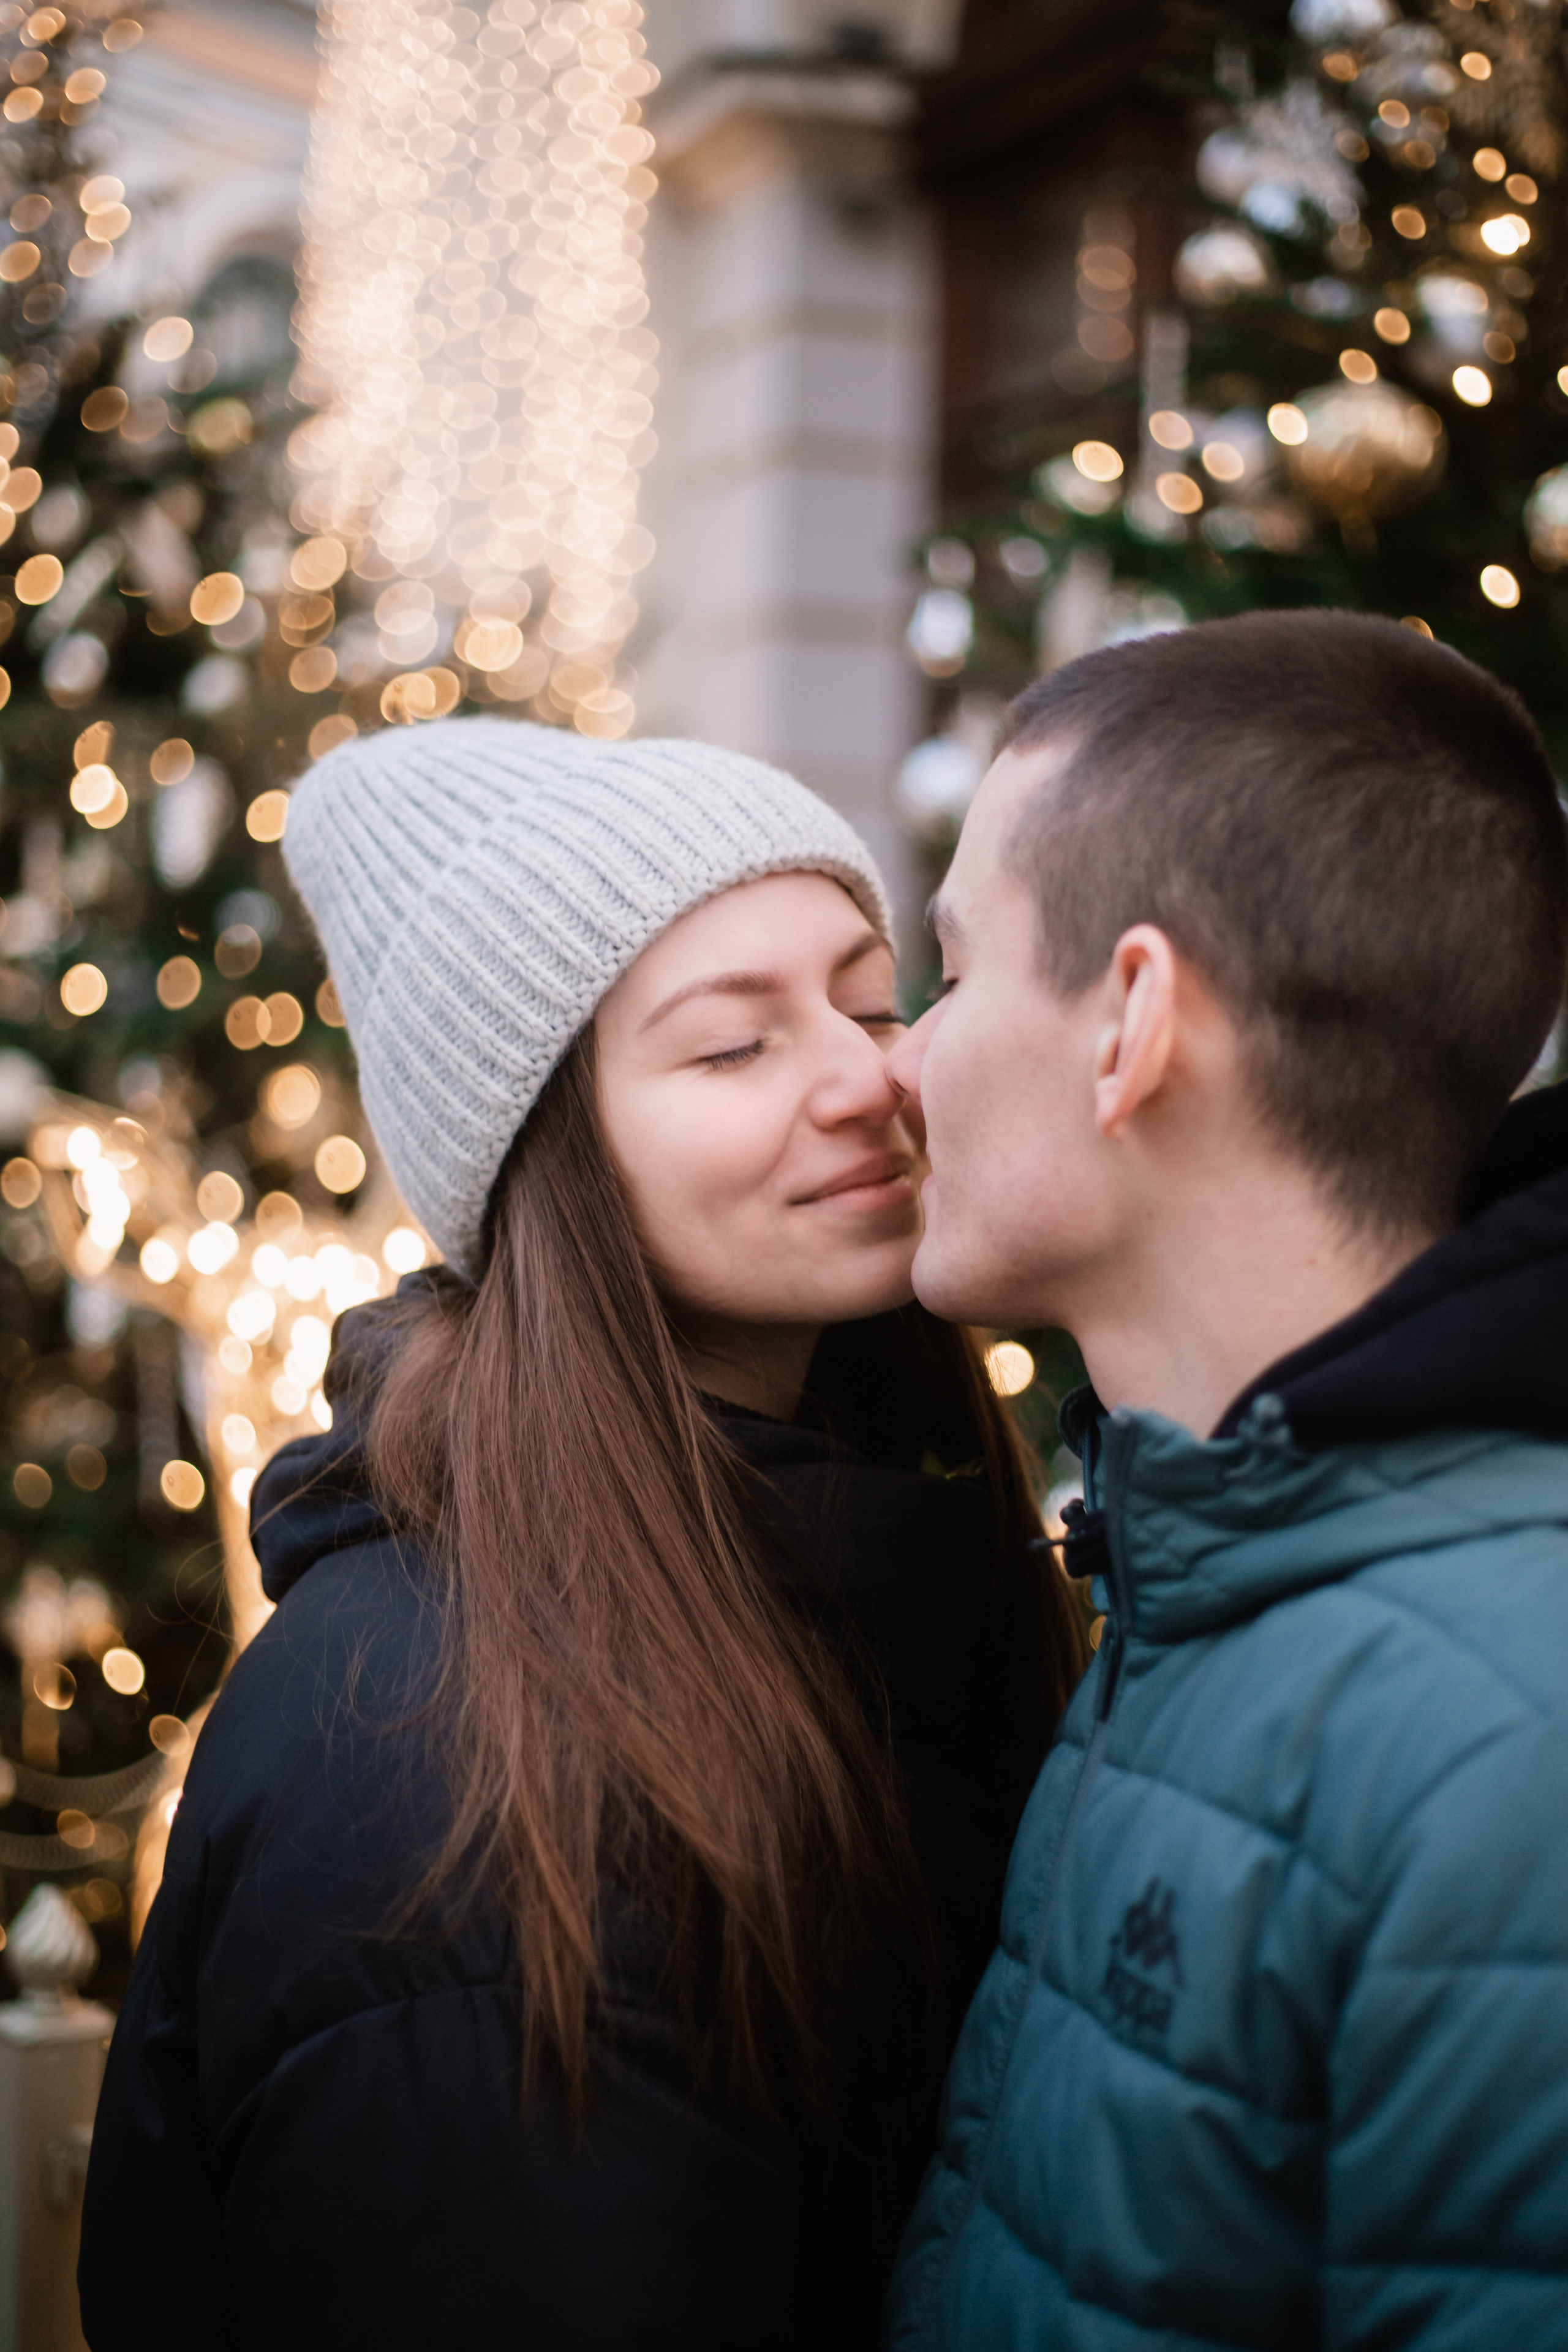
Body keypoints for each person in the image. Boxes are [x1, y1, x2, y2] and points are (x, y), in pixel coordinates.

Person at [78, 720, 1085, 2350]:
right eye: (730, 1048)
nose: (863, 1077)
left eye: (872, 999)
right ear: (548, 1157)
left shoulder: (867, 1552)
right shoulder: (452, 1766)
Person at [883, 609, 1568, 2350]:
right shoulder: (1203, 1582)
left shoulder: (1508, 1751)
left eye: (955, 975)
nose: (901, 1057)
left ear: (1130, 1022)